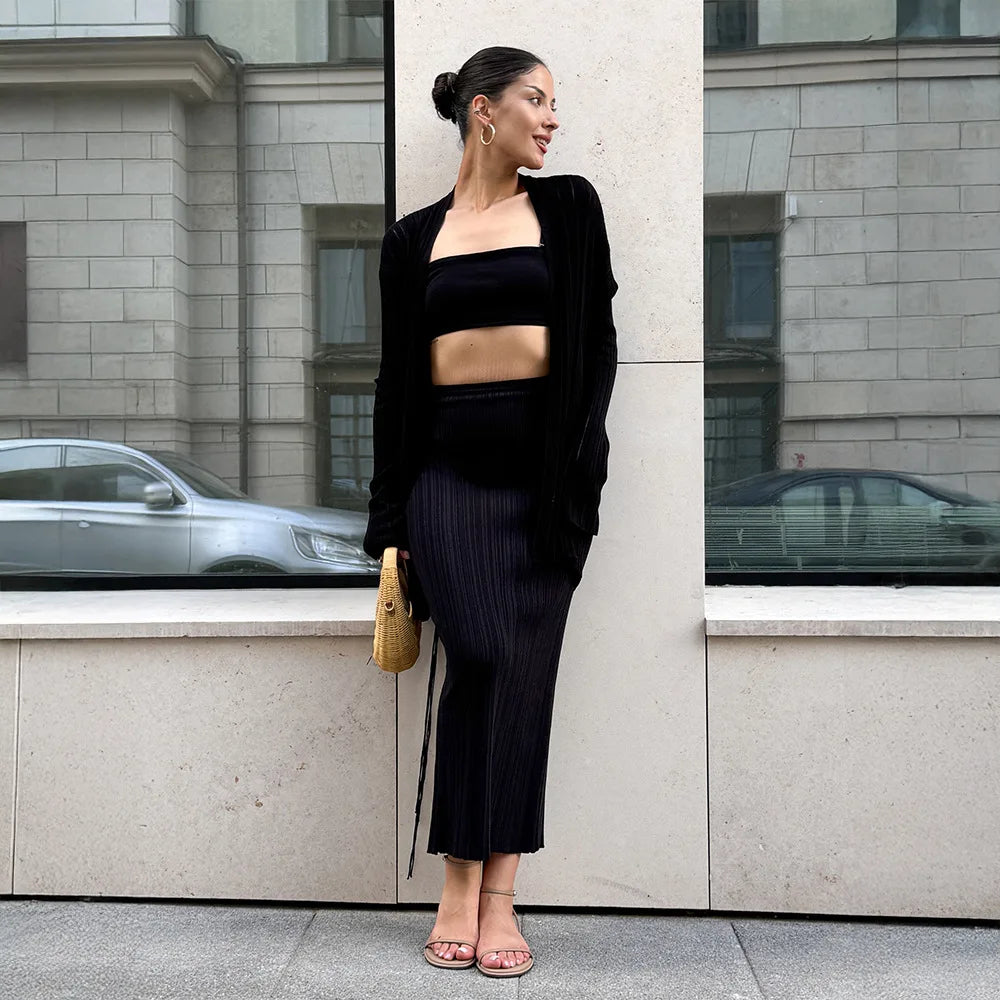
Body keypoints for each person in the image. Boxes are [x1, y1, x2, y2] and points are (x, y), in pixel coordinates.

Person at [363, 45, 618, 979]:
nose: (551, 120)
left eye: (555, 104)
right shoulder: (411, 240)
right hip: (448, 479)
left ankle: (493, 894)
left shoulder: (569, 209)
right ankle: (457, 880)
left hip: (544, 485)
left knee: (523, 676)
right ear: (484, 112)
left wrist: (580, 481)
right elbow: (398, 386)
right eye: (536, 101)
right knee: (476, 656)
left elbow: (595, 349)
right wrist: (390, 520)